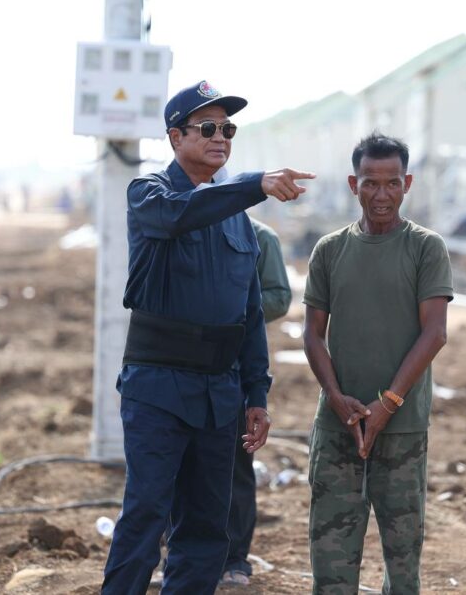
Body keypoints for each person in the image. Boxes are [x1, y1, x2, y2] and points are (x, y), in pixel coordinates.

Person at [101, 80, 315, 595]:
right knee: (147, 515)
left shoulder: (239, 222)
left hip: (219, 395)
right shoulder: (149, 194)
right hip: (158, 389)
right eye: (208, 128)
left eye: (228, 130)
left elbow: (249, 316)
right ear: (176, 138)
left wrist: (257, 394)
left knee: (206, 527)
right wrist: (254, 184)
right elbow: (182, 213)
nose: (221, 137)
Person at [302, 132, 452, 594]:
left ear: (407, 184)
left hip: (402, 430)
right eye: (370, 182)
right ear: (354, 184)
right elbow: (312, 334)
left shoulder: (426, 248)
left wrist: (388, 403)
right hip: (338, 428)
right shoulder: (330, 250)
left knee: (403, 567)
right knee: (330, 565)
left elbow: (435, 333)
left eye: (392, 183)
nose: (381, 194)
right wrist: (336, 398)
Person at [220, 216, 291, 586]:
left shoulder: (260, 236)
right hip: (185, 367)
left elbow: (279, 298)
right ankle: (179, 554)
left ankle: (234, 558)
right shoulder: (187, 224)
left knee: (236, 465)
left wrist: (232, 302)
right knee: (181, 466)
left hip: (236, 365)